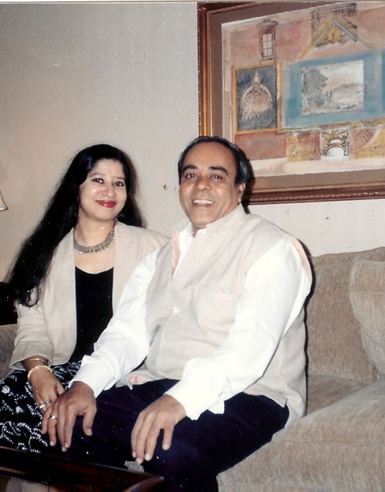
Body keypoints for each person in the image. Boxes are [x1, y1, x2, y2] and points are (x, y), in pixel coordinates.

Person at [42, 136, 312, 490]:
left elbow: (247, 353)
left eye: (216, 176)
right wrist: (84, 385)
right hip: (164, 382)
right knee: (68, 427)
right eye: (190, 175)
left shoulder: (273, 249)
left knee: (169, 447)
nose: (201, 185)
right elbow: (127, 333)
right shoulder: (160, 257)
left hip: (255, 394)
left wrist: (178, 401)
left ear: (240, 188)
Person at [0, 144, 166, 452]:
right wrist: (38, 372)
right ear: (76, 186)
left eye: (118, 183)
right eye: (98, 180)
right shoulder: (44, 252)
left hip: (121, 373)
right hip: (63, 368)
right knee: (12, 394)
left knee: (63, 417)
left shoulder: (154, 248)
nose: (109, 190)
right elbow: (32, 328)